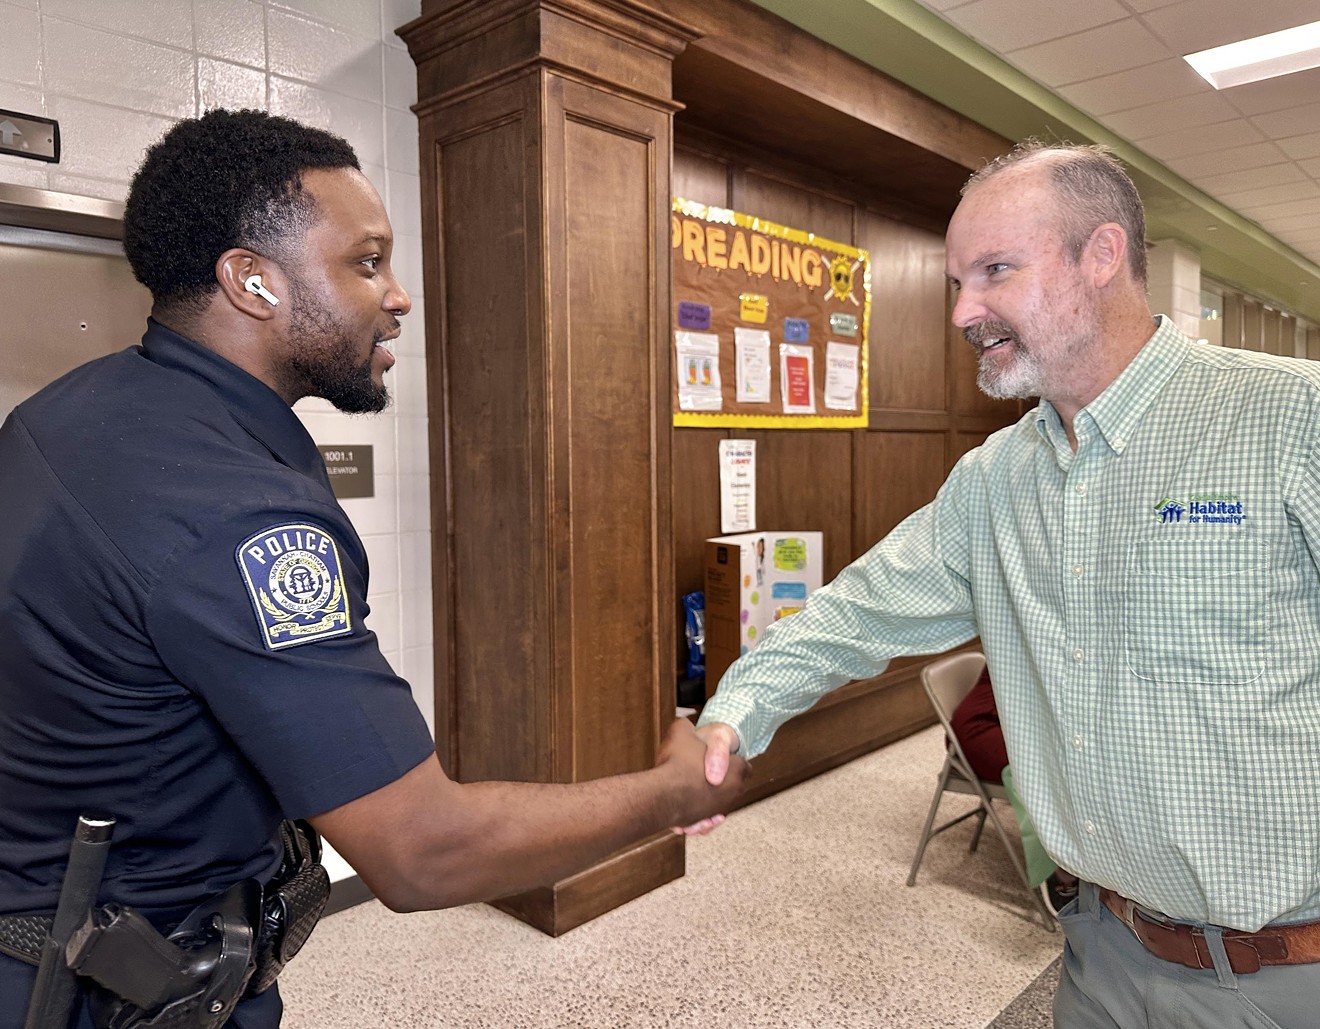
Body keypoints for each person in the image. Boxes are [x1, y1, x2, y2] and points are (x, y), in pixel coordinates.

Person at [0, 108, 749, 1029]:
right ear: (252, 282)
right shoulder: (235, 510)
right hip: (109, 989)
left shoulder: (68, 412)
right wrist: (673, 790)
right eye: (365, 262)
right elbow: (421, 851)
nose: (397, 295)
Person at [689, 139, 1320, 1028]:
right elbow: (855, 611)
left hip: (1284, 975)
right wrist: (735, 710)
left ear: (1102, 256)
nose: (963, 311)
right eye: (957, 282)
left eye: (994, 270)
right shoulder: (994, 480)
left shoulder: (1290, 418)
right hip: (1099, 953)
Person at [948, 666, 1075, 914]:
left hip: (1015, 724)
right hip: (983, 727)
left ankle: (1082, 858)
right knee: (1051, 774)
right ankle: (1060, 873)